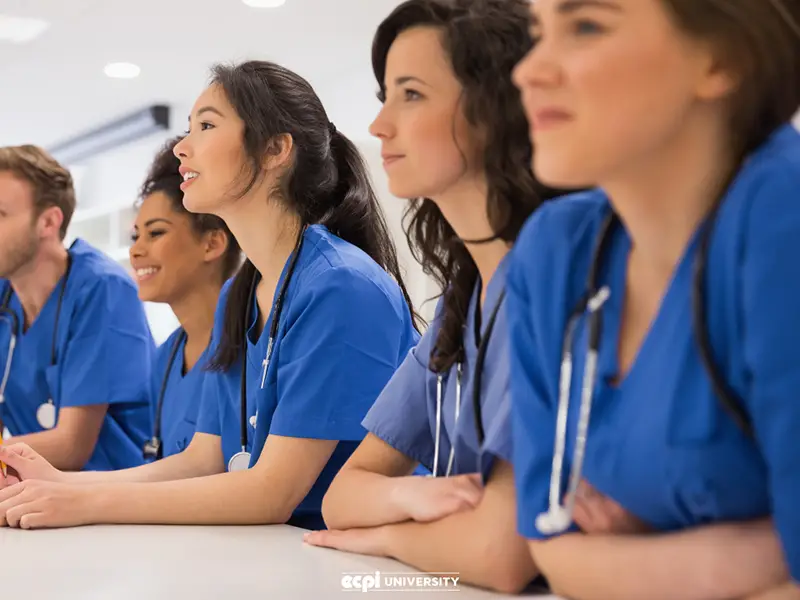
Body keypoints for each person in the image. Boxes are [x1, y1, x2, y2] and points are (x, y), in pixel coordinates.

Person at [0, 60, 419, 531]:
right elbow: (201, 460)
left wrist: (83, 504)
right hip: (277, 556)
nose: (182, 147)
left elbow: (271, 493)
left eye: (205, 125)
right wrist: (58, 484)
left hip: (354, 567)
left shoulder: (342, 286)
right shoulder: (240, 295)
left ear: (276, 149)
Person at [507, 0, 800, 598]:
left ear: (722, 57)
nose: (528, 70)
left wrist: (635, 558)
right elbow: (551, 545)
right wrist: (744, 556)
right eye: (538, 32)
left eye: (585, 26)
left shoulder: (781, 217)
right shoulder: (555, 252)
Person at [305, 0, 560, 593]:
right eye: (383, 97)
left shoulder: (552, 283)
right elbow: (344, 495)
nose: (378, 126)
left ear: (496, 108)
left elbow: (499, 553)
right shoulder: (461, 302)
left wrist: (389, 536)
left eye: (411, 95)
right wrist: (412, 494)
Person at [0, 145, 153, 472]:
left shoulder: (102, 288)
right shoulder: (3, 297)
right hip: (40, 496)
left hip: (119, 504)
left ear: (48, 222)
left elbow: (71, 447)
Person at [131, 136, 240, 461]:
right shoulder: (166, 358)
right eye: (135, 236)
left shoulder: (247, 346)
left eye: (156, 233)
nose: (136, 250)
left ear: (212, 244)